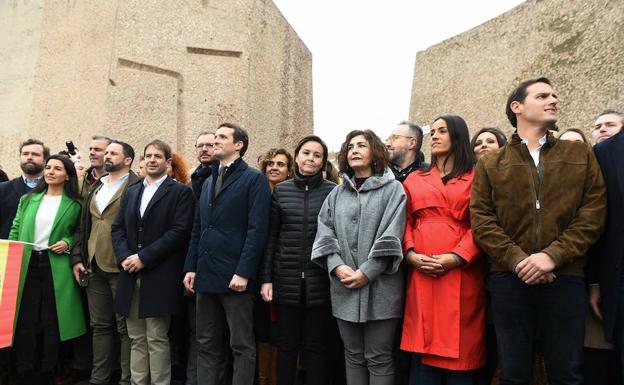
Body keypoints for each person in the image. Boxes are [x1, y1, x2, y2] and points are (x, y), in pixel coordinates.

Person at [470, 77, 607, 385]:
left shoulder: (579, 154)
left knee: (566, 373)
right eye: (543, 95)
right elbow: (482, 219)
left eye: (555, 95)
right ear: (517, 107)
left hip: (565, 275)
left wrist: (552, 256)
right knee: (514, 373)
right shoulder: (491, 163)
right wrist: (519, 260)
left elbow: (593, 212)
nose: (553, 99)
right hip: (508, 277)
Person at [312, 129, 406, 385]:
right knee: (352, 354)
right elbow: (324, 232)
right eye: (350, 146)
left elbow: (392, 234)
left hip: (382, 288)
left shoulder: (394, 190)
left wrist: (368, 271)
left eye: (361, 145)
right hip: (343, 286)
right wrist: (336, 265)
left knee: (379, 357)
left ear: (374, 152)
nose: (353, 150)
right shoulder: (336, 194)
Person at [183, 123, 271, 385]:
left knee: (241, 345)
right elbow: (199, 228)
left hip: (236, 278)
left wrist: (243, 272)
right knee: (206, 342)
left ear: (239, 145)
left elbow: (257, 231)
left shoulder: (254, 179)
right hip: (206, 275)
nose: (214, 142)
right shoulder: (209, 180)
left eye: (221, 137)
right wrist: (191, 267)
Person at [401, 115, 484, 385]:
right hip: (422, 272)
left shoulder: (478, 177)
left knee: (461, 358)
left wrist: (458, 256)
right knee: (423, 361)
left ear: (458, 136)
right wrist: (411, 254)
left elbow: (483, 222)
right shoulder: (415, 179)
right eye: (432, 131)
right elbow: (404, 222)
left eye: (442, 131)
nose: (434, 136)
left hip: (461, 273)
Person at [111, 140, 195, 385]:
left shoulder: (180, 192)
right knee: (136, 337)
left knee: (157, 337)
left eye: (158, 156)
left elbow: (179, 232)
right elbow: (117, 229)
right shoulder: (132, 191)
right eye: (148, 156)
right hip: (129, 272)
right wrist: (125, 257)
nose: (152, 160)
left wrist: (143, 258)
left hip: (160, 274)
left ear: (168, 163)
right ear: (142, 161)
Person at [260, 136, 336, 385]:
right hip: (286, 280)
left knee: (315, 346)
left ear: (323, 161)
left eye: (317, 155)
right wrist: (267, 279)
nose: (311, 159)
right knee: (286, 346)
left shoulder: (332, 192)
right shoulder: (282, 190)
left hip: (319, 281)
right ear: (298, 156)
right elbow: (271, 237)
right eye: (306, 153)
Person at [9, 154, 87, 385]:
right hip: (26, 264)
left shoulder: (75, 204)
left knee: (52, 321)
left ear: (67, 175)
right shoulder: (28, 199)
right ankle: (24, 370)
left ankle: (48, 370)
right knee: (25, 320)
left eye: (57, 168)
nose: (50, 171)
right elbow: (16, 228)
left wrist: (68, 243)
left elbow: (79, 233)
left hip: (56, 265)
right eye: (49, 167)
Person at [71, 140, 141, 385]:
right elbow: (83, 226)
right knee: (99, 326)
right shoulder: (96, 187)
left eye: (113, 153)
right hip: (93, 267)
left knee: (125, 329)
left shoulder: (137, 185)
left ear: (128, 160)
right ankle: (98, 379)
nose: (107, 156)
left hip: (122, 267)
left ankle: (126, 379)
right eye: (106, 152)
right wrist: (78, 257)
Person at [586, 108, 624, 383]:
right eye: (597, 125)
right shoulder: (603, 158)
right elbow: (599, 226)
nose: (602, 129)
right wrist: (596, 282)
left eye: (609, 124)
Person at [256, 147, 294, 385]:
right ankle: (262, 377)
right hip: (256, 270)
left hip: (283, 270)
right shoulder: (257, 193)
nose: (274, 167)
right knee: (261, 328)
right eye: (270, 163)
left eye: (280, 164)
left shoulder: (291, 195)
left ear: (289, 171)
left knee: (281, 328)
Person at [190, 131, 216, 199]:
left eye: (210, 145)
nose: (204, 149)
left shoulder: (224, 176)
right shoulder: (192, 178)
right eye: (200, 146)